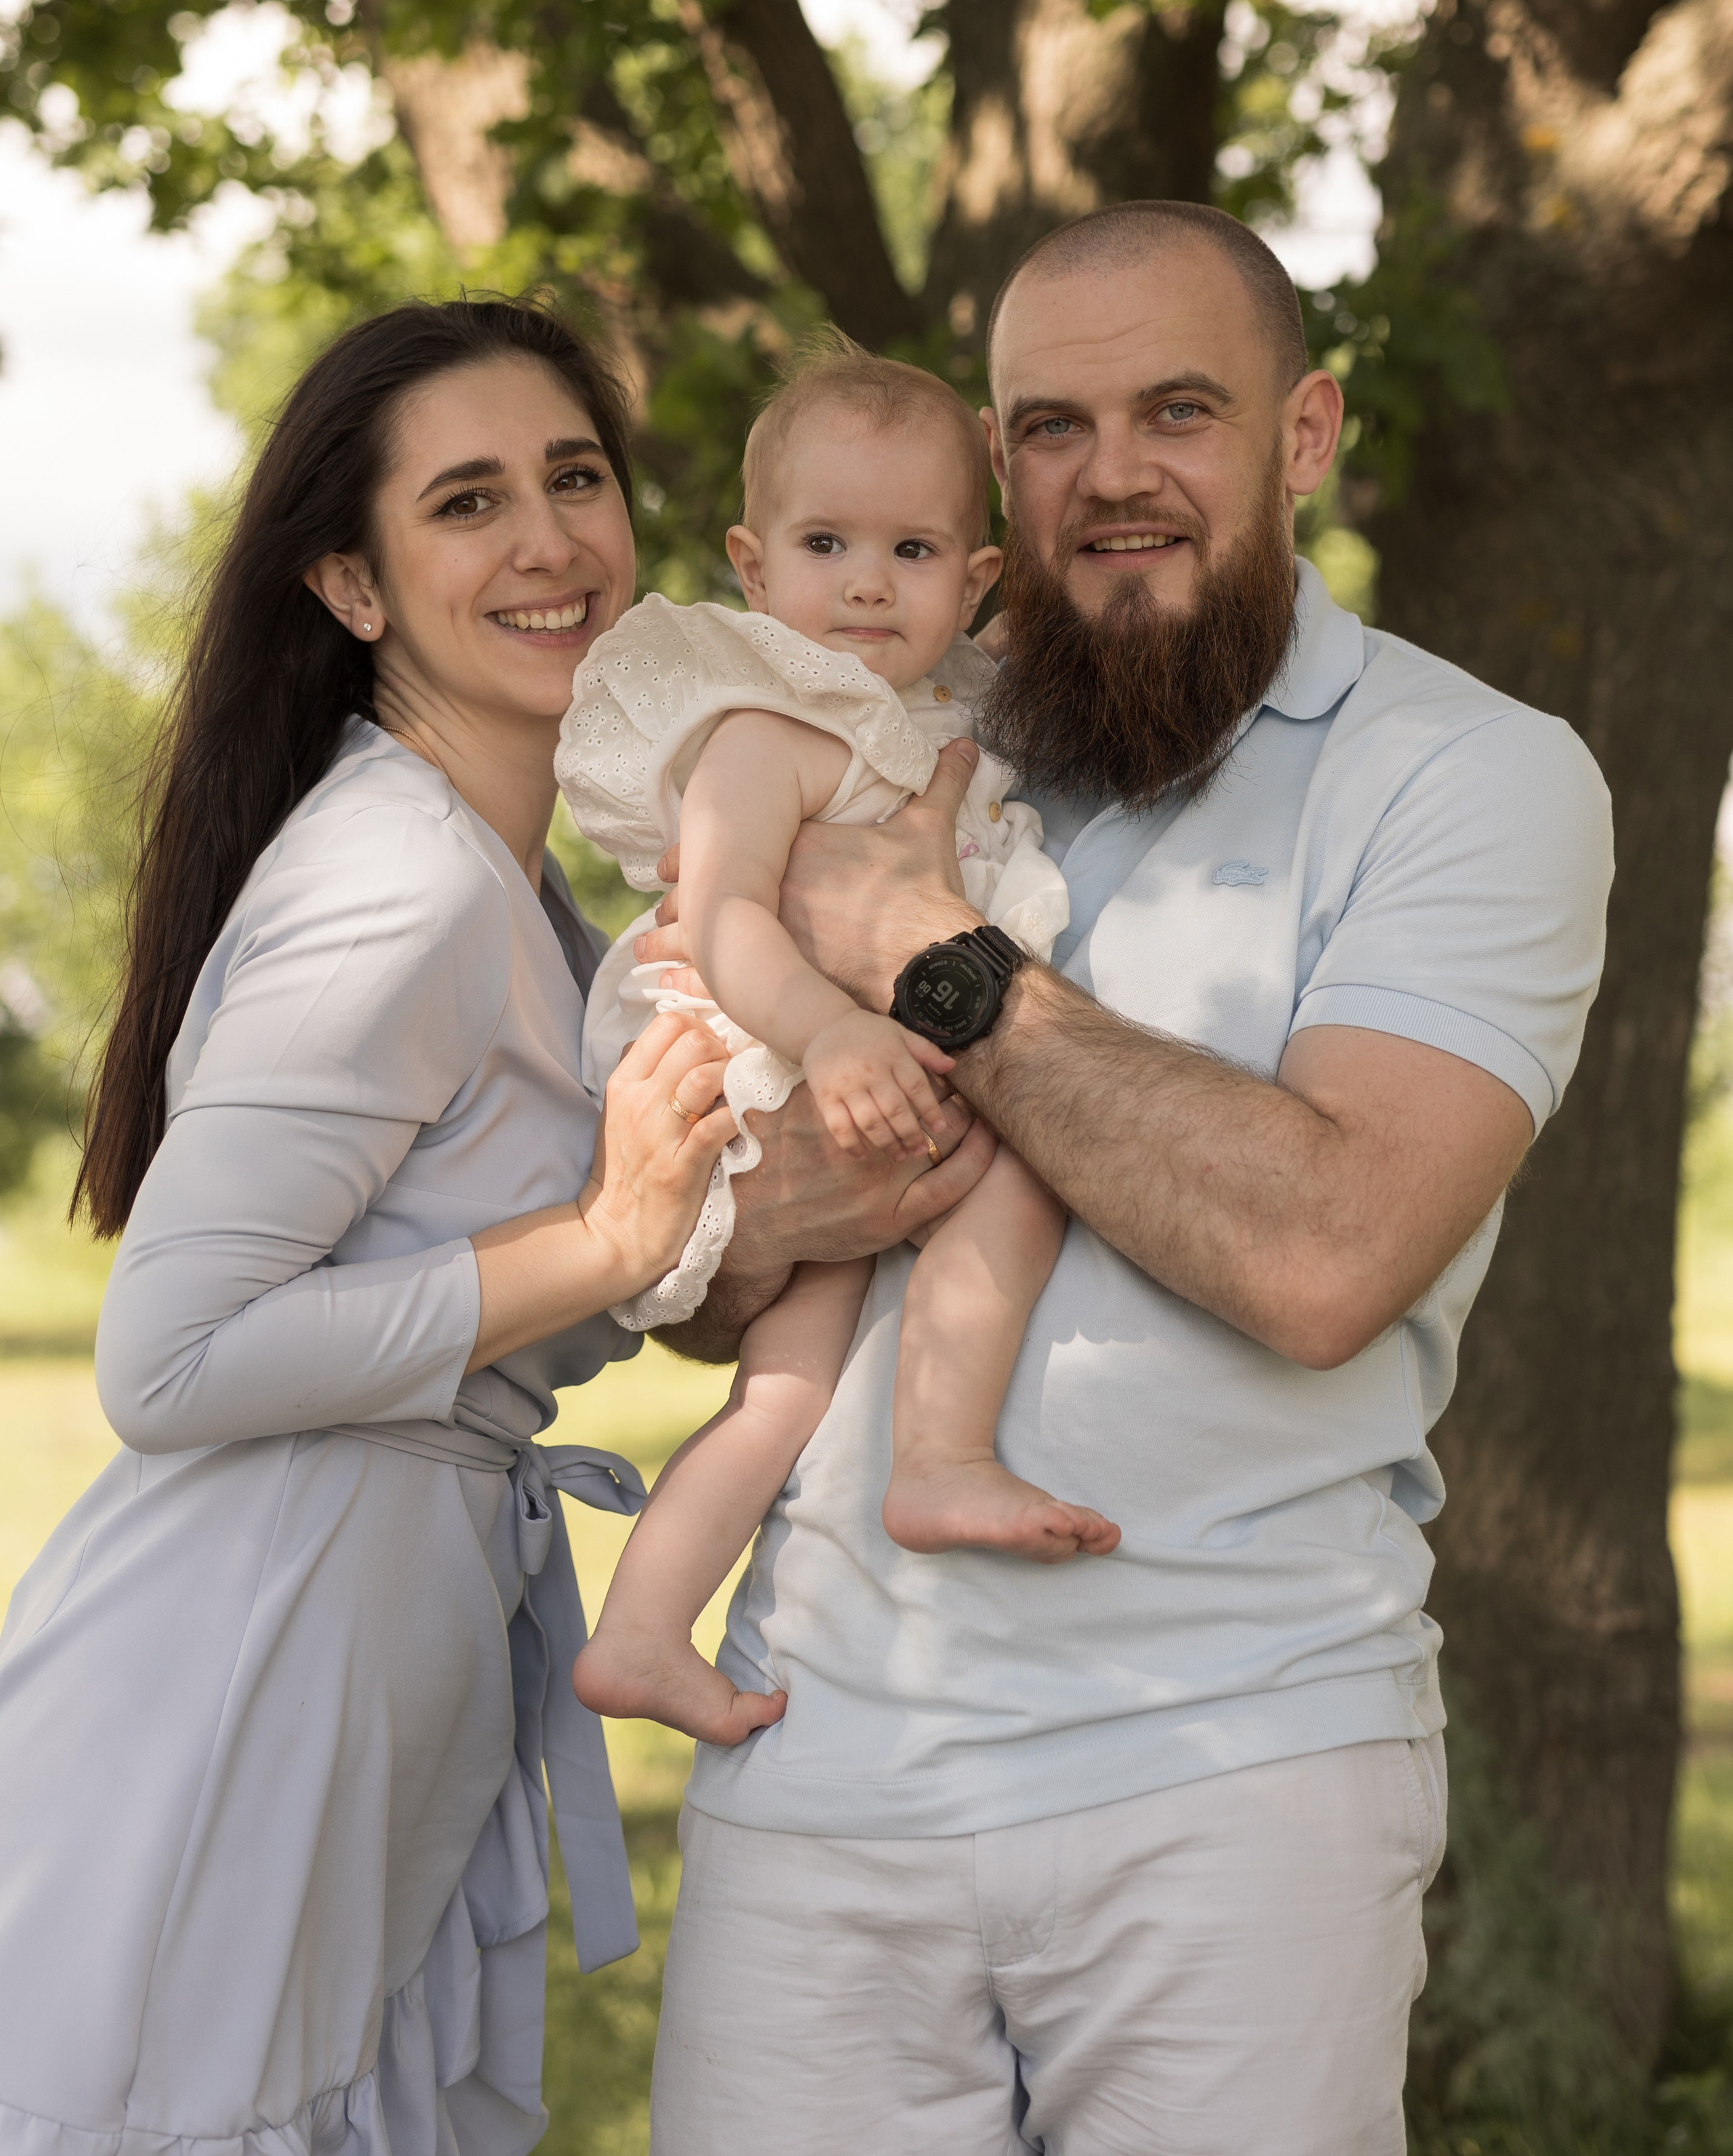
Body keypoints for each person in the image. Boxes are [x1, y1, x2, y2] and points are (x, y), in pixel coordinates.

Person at [638, 202, 1617, 2155]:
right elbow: (708, 1267)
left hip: (1233, 1776)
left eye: (1180, 410)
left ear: (1309, 433)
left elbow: (1328, 1250)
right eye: (1053, 427)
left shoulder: (1467, 775)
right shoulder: (897, 730)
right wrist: (746, 1215)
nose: (1115, 477)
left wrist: (946, 964)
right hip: (815, 1759)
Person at [0, 295, 760, 2156]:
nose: (548, 542)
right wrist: (602, 1238)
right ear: (352, 585)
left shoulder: (517, 886)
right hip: (246, 1665)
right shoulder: (398, 880)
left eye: (576, 479)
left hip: (377, 1627)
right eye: (468, 504)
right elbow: (169, 1359)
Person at [556, 336, 1114, 1751]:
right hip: (777, 1052)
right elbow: (725, 917)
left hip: (863, 1057)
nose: (866, 581)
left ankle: (640, 1628)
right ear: (752, 569)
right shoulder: (763, 725)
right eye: (825, 543)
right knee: (1023, 1167)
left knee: (787, 1386)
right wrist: (830, 1030)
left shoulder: (951, 723)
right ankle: (938, 1453)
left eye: (913, 548)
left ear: (977, 580)